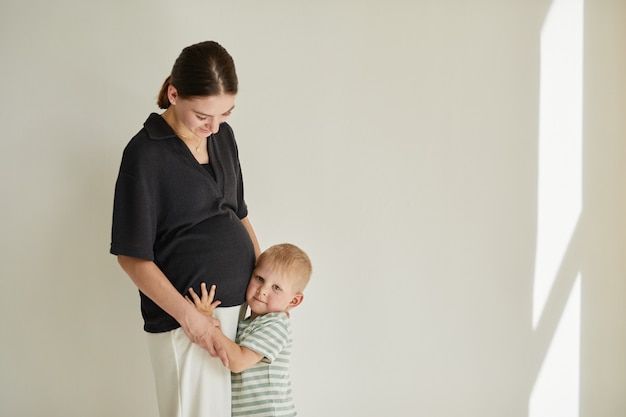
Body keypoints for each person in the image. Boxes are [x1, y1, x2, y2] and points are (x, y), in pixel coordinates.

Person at [110, 40, 261, 417]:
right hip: (188, 320)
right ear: (174, 94)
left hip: (236, 314)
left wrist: (265, 286)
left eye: (226, 113)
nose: (214, 127)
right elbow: (132, 257)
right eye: (202, 116)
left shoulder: (223, 137)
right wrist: (190, 319)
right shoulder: (144, 154)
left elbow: (238, 215)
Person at [187, 243, 313, 417]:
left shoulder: (277, 325)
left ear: (293, 301)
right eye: (259, 279)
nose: (262, 291)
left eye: (276, 287)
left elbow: (238, 361)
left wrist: (207, 323)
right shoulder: (248, 323)